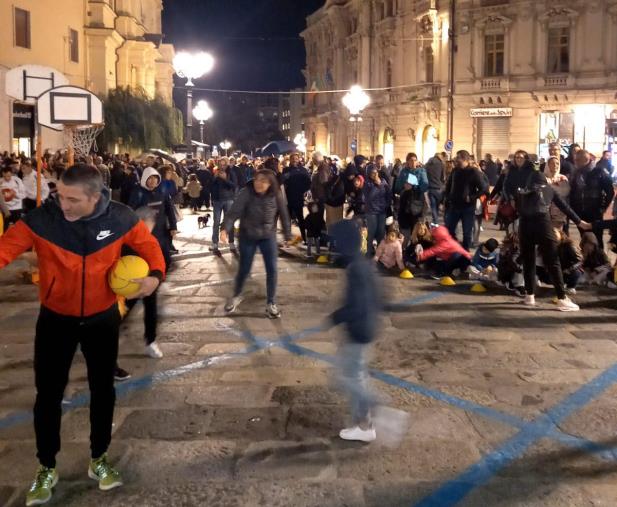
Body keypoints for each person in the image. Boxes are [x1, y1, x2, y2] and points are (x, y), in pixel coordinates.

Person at [0, 164, 165, 506]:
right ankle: (46, 466)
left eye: (73, 199)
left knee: (103, 390)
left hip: (102, 319)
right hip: (55, 320)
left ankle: (99, 458)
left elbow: (150, 248)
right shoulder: (41, 220)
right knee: (47, 395)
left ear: (95, 197)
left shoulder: (120, 218)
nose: (64, 204)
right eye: (60, 195)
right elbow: (4, 250)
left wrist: (154, 277)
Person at [504, 150, 589, 310]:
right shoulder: (549, 190)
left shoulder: (522, 191)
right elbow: (565, 206)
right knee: (552, 260)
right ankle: (562, 298)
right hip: (542, 224)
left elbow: (516, 203)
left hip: (525, 226)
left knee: (528, 260)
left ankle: (529, 296)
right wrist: (579, 222)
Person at [325, 219, 380, 442]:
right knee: (357, 375)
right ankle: (364, 425)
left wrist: (335, 317)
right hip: (366, 327)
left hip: (358, 331)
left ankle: (373, 405)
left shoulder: (355, 268)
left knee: (343, 378)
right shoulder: (363, 263)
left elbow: (356, 304)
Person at [221, 170, 291, 319]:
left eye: (264, 181)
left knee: (272, 269)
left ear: (270, 183)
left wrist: (287, 234)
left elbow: (284, 213)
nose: (259, 183)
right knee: (244, 269)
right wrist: (224, 229)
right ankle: (236, 295)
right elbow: (233, 213)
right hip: (248, 235)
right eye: (257, 179)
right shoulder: (246, 192)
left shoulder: (276, 193)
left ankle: (271, 303)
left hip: (268, 236)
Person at [128, 167, 178, 269]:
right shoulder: (138, 192)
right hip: (145, 231)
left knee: (164, 255)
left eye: (155, 178)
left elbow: (170, 210)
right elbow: (130, 211)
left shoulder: (162, 192)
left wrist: (173, 227)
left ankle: (162, 272)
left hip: (162, 230)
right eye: (150, 178)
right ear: (145, 179)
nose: (153, 181)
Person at [444, 150, 488, 251]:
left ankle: (465, 253)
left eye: (458, 157)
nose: (455, 159)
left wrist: (472, 197)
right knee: (449, 230)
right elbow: (449, 186)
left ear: (464, 159)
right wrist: (447, 198)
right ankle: (454, 248)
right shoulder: (455, 171)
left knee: (467, 233)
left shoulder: (473, 172)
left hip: (467, 208)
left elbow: (484, 189)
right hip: (454, 206)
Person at [569, 149, 614, 248]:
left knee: (596, 239)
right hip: (579, 212)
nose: (575, 162)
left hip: (595, 212)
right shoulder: (576, 173)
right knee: (584, 239)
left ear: (585, 159)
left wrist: (603, 207)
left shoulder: (599, 171)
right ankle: (588, 259)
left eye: (577, 160)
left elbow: (610, 192)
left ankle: (600, 260)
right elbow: (573, 191)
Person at [537, 228, 582, 294]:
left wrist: (569, 270)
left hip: (567, 271)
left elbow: (579, 261)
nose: (553, 236)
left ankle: (571, 287)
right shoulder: (545, 246)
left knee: (576, 272)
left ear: (560, 233)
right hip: (553, 272)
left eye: (555, 233)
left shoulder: (569, 245)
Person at [281, 153, 311, 243]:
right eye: (293, 158)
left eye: (296, 159)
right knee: (288, 219)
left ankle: (304, 238)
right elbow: (282, 181)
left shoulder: (303, 170)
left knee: (300, 218)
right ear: (290, 160)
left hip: (298, 198)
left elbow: (308, 182)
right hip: (288, 198)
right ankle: (288, 238)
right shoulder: (286, 170)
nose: (294, 160)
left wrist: (305, 191)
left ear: (299, 160)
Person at [211, 161, 238, 256]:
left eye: (224, 164)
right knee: (216, 222)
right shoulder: (214, 172)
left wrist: (225, 179)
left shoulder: (231, 173)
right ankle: (215, 245)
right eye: (221, 164)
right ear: (218, 165)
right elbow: (209, 186)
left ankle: (231, 243)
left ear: (226, 165)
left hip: (228, 200)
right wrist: (214, 177)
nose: (222, 166)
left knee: (229, 222)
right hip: (217, 201)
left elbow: (234, 185)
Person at [363, 167, 392, 258]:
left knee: (381, 232)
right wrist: (377, 185)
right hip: (371, 211)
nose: (374, 175)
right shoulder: (367, 184)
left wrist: (386, 204)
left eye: (376, 173)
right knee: (372, 231)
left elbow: (388, 194)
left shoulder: (383, 182)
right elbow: (369, 197)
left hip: (381, 211)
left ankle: (380, 252)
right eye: (372, 173)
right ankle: (369, 251)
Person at [543, 156, 570, 230]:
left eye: (557, 163)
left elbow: (565, 195)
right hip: (544, 212)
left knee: (557, 235)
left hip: (558, 212)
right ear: (548, 165)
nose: (555, 165)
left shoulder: (563, 178)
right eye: (552, 163)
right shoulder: (542, 178)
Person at [424, 152, 446, 223]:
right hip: (439, 188)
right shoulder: (441, 164)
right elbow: (443, 177)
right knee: (437, 206)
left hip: (430, 188)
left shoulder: (427, 164)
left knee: (433, 207)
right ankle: (437, 222)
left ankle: (435, 222)